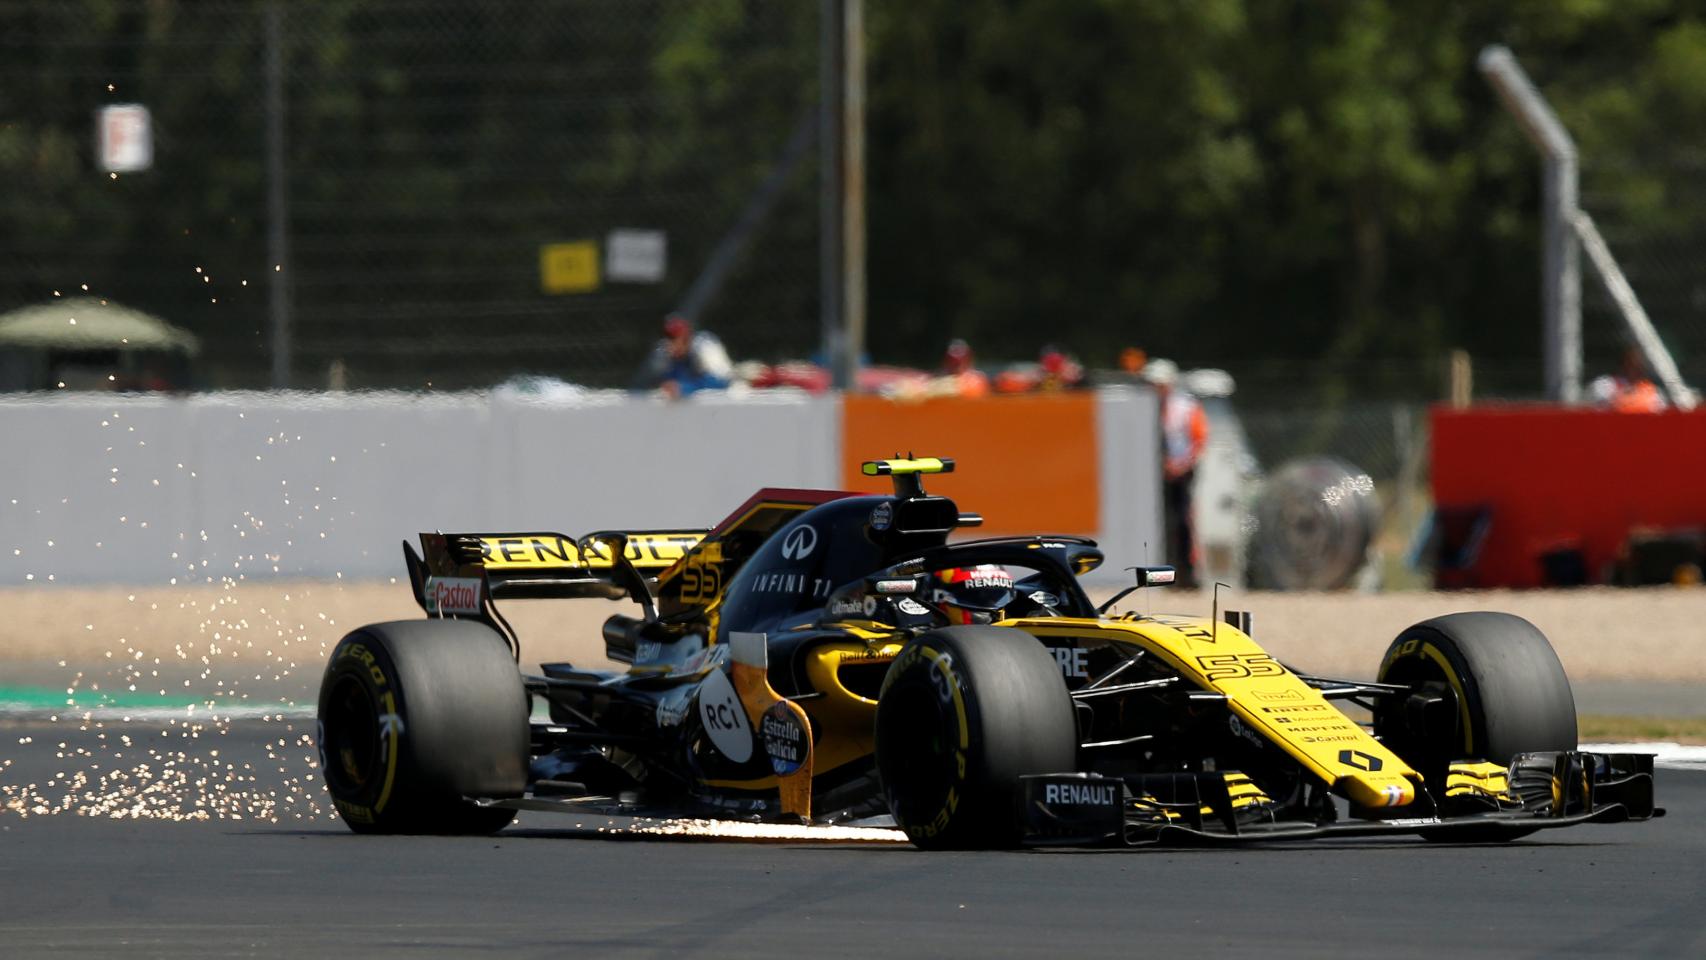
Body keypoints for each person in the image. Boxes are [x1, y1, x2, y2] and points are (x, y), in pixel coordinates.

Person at [1144, 358, 1209, 586]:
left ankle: (1187, 575)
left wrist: (1178, 465)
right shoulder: (1140, 406)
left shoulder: (1186, 406)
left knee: (1182, 521)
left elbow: (1198, 440)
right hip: (1151, 474)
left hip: (1181, 472)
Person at [634, 313, 733, 398]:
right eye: (667, 337)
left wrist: (685, 388)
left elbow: (722, 381)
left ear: (686, 337)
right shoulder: (663, 352)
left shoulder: (704, 346)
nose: (670, 343)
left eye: (674, 337)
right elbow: (660, 383)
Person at [1588, 346, 1666, 413]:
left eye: (1641, 363)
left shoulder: (1653, 392)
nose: (1638, 366)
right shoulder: (1605, 385)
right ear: (1625, 362)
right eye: (1633, 361)